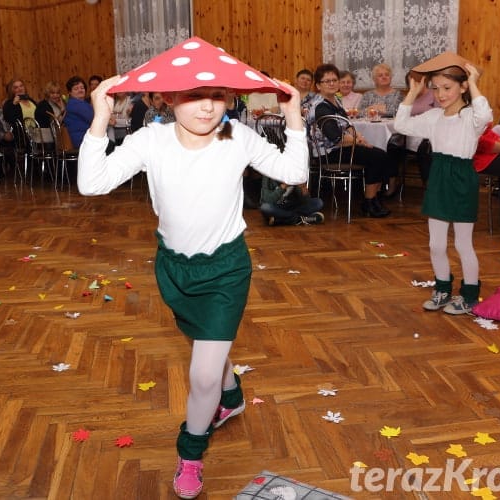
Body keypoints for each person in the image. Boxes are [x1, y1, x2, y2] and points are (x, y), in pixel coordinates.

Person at [77, 37, 308, 499]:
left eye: (218, 95)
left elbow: (295, 173)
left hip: (225, 269)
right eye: (193, 95)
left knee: (201, 373)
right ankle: (231, 394)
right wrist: (100, 117)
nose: (207, 107)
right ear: (167, 98)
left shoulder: (237, 137)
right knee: (207, 350)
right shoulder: (151, 139)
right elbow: (91, 183)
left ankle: (190, 453)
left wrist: (293, 114)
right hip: (174, 271)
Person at [394, 52, 493, 315]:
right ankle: (442, 289)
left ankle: (469, 294)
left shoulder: (471, 118)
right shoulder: (433, 117)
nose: (440, 94)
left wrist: (473, 81)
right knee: (435, 244)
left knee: (462, 243)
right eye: (436, 88)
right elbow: (400, 124)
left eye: (447, 88)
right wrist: (413, 93)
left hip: (461, 178)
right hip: (439, 177)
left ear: (462, 87)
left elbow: (485, 114)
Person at [307, 63, 393, 217]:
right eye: (327, 81)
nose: (332, 83)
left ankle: (372, 199)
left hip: (340, 148)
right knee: (377, 156)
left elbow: (348, 126)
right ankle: (369, 202)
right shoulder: (320, 106)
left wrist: (359, 137)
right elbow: (336, 138)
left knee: (381, 154)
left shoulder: (335, 101)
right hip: (328, 153)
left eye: (334, 80)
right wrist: (359, 142)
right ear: (318, 85)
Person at [260, 180, 324, 225]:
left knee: (318, 202)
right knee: (265, 207)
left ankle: (280, 220)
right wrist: (283, 186)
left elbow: (304, 201)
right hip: (276, 207)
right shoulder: (268, 176)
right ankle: (300, 219)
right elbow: (267, 200)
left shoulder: (294, 174)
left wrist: (303, 188)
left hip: (290, 206)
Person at [63, 76, 93, 147]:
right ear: (70, 92)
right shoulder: (75, 104)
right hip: (82, 140)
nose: (80, 90)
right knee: (111, 145)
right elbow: (93, 118)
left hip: (85, 138)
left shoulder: (81, 103)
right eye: (76, 89)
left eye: (82, 88)